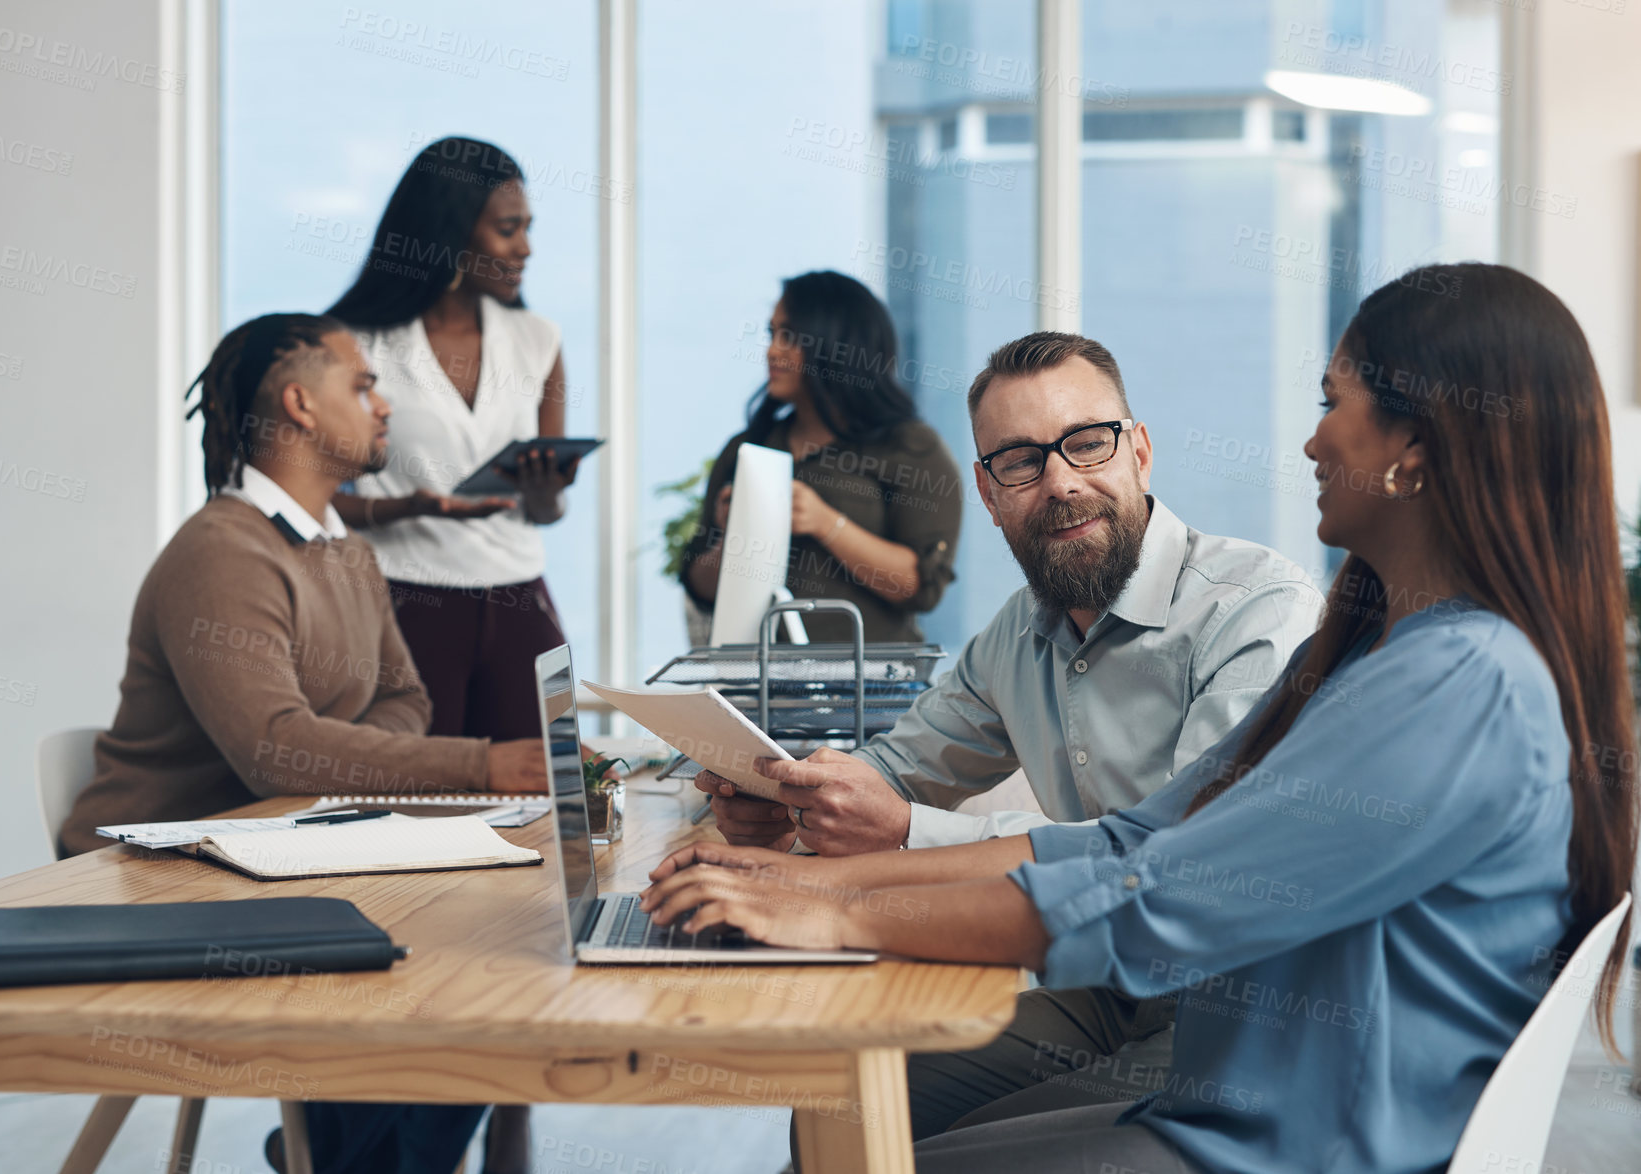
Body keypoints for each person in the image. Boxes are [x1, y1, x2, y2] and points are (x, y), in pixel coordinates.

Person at [643, 262, 1638, 1172]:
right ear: (989, 491)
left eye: (1331, 402)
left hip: (1290, 1139)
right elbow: (1133, 839)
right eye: (1024, 461)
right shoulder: (1389, 652)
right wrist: (807, 872)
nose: (1308, 436)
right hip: (1239, 1095)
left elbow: (1152, 897)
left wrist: (833, 904)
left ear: (1412, 451)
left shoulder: (1451, 682)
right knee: (858, 1132)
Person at [694, 329, 1325, 1121]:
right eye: (1021, 461)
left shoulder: (1257, 609)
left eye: (1086, 445)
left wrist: (893, 836)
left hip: (1238, 1010)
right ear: (989, 496)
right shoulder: (1014, 634)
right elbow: (893, 768)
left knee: (935, 1145)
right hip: (1104, 989)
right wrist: (788, 799)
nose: (1060, 483)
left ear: (1139, 453)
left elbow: (1169, 859)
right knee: (850, 1104)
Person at [64, 312, 550, 1173]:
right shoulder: (224, 551)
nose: (384, 404)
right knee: (445, 975)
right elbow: (276, 750)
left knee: (487, 959)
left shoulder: (346, 552)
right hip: (163, 879)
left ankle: (337, 1158)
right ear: (300, 405)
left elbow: (406, 696)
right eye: (361, 386)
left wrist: (340, 755)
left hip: (287, 852)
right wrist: (482, 763)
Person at [329, 136, 578, 749]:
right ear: (452, 233)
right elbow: (318, 501)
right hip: (404, 600)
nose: (526, 248)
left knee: (558, 783)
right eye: (507, 229)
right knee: (413, 801)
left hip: (522, 598)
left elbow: (548, 512)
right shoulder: (356, 342)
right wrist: (412, 506)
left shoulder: (538, 339)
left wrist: (545, 495)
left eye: (527, 228)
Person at [680, 270, 964, 644]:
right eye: (772, 334)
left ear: (837, 346)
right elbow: (700, 589)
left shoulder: (910, 448)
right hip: (759, 685)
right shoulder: (749, 447)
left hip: (873, 688)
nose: (772, 351)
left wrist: (824, 522)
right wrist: (734, 538)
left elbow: (921, 588)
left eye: (790, 337)